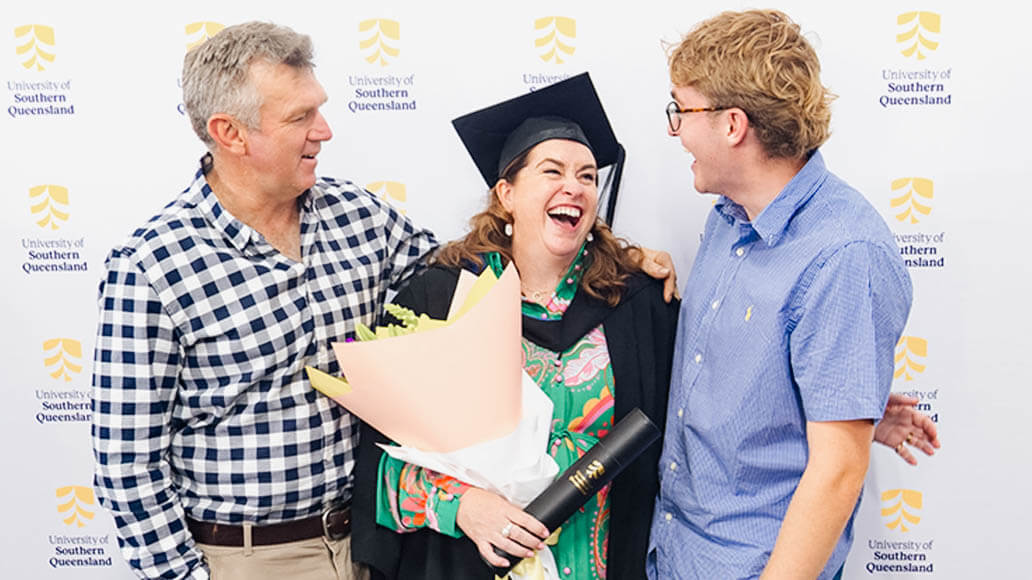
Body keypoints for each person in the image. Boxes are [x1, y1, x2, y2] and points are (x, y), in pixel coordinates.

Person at [90, 22, 437, 580]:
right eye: (300, 117)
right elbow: (127, 465)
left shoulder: (362, 216)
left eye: (317, 109)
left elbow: (454, 289)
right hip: (249, 561)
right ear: (229, 133)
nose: (323, 131)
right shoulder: (152, 267)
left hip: (377, 545)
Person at [351, 74, 680, 580]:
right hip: (477, 561)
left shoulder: (636, 303)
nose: (574, 186)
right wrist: (461, 506)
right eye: (552, 171)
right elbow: (382, 458)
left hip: (604, 559)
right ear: (506, 192)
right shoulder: (442, 300)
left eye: (588, 176)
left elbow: (672, 453)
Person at [648, 10, 918, 579]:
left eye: (682, 109)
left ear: (732, 124)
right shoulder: (728, 217)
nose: (675, 130)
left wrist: (848, 423)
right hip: (674, 550)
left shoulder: (845, 256)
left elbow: (839, 470)